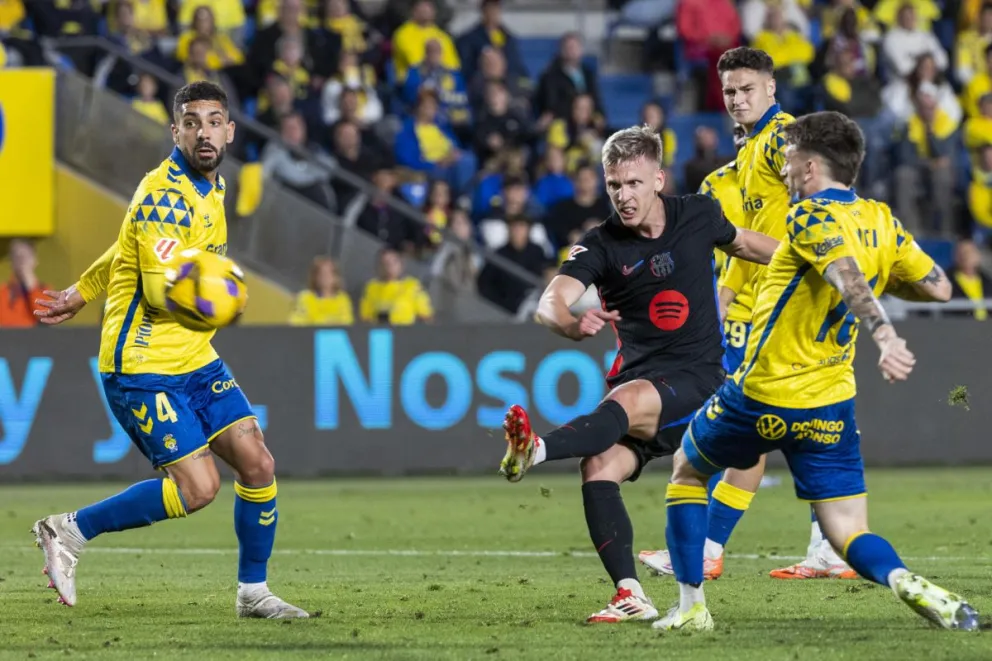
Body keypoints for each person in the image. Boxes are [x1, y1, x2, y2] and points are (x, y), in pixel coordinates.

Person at [655, 111, 979, 633]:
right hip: (830, 404)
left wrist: (885, 334)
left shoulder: (806, 216)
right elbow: (939, 285)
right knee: (848, 532)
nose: (782, 169)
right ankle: (905, 581)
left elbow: (844, 274)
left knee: (687, 470)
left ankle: (691, 607)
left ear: (809, 167)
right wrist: (886, 276)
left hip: (763, 393)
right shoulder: (880, 220)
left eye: (787, 160)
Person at [30, 81, 309, 619]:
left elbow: (126, 242)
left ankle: (253, 592)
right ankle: (68, 531)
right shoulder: (164, 195)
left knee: (257, 461)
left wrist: (82, 290)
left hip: (193, 357)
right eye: (191, 122)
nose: (203, 132)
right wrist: (223, 299)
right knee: (198, 488)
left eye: (213, 121)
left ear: (229, 130)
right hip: (142, 363)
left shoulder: (211, 187)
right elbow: (164, 290)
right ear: (175, 130)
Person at [496, 125, 779, 623]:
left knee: (627, 403)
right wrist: (567, 321)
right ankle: (630, 593)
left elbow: (748, 245)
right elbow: (548, 302)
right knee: (598, 467)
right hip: (645, 387)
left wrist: (817, 260)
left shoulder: (697, 214)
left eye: (632, 184)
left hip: (697, 379)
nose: (623, 197)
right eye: (613, 186)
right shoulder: (601, 245)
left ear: (657, 180)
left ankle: (535, 449)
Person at [642, 46, 858, 582]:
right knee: (813, 424)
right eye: (730, 91)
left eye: (747, 89)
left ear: (770, 89)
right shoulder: (734, 171)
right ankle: (828, 549)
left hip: (791, 304)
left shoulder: (779, 138)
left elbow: (822, 181)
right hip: (777, 307)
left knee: (748, 426)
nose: (737, 99)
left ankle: (708, 547)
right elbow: (736, 260)